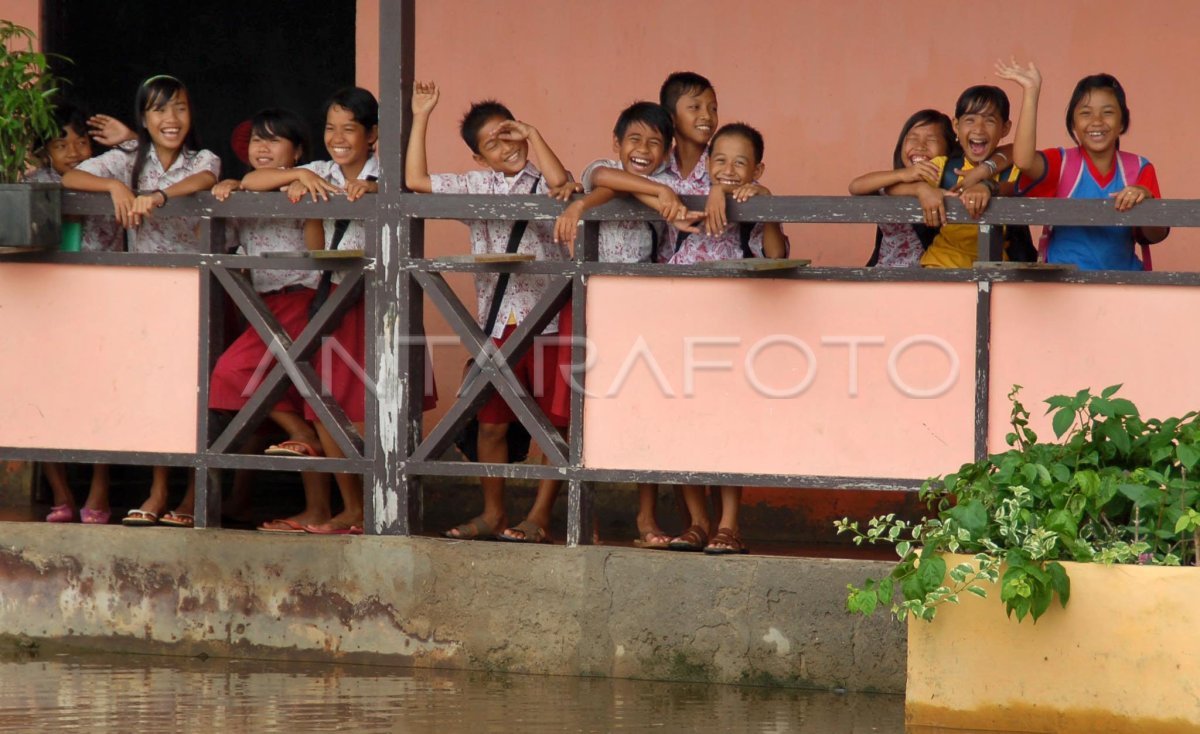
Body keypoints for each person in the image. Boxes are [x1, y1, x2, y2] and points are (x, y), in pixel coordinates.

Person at [405, 80, 576, 544]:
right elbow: (417, 182)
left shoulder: (545, 177)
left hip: (551, 319)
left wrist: (535, 135)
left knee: (553, 424)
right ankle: (494, 512)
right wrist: (422, 116)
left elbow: (563, 186)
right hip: (498, 323)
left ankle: (539, 517)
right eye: (492, 144)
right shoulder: (475, 184)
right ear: (478, 159)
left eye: (509, 134)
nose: (505, 147)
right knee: (491, 422)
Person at [62, 74, 220, 527]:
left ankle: (193, 496)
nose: (171, 119)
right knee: (157, 395)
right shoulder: (128, 159)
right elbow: (70, 174)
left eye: (180, 108)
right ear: (144, 118)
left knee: (197, 397)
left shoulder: (202, 157)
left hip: (197, 292)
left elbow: (206, 178)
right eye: (159, 110)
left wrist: (159, 194)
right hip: (146, 299)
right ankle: (157, 492)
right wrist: (116, 187)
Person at [241, 87, 385, 535]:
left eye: (350, 128)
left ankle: (368, 511)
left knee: (362, 410)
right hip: (330, 300)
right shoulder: (320, 169)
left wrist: (375, 189)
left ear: (372, 135)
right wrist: (297, 177)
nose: (338, 137)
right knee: (324, 407)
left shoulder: (387, 173)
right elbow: (250, 182)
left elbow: (403, 194)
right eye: (330, 128)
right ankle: (349, 509)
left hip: (373, 302)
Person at [552, 101, 683, 549]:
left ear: (667, 151)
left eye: (654, 143)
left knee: (642, 411)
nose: (643, 149)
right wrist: (586, 201)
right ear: (616, 142)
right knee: (581, 413)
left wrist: (656, 193)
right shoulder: (606, 169)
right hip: (592, 308)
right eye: (634, 140)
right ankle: (581, 517)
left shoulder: (670, 181)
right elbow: (603, 178)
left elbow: (637, 189)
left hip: (645, 311)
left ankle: (646, 517)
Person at [208, 108, 334, 533]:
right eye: (256, 140)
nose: (262, 147)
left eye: (274, 139)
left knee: (240, 377)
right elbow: (240, 201)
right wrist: (227, 185)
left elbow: (318, 251)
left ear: (297, 150)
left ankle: (316, 499)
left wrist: (302, 188)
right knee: (277, 399)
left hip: (301, 303)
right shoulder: (247, 191)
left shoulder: (310, 181)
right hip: (261, 308)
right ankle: (297, 450)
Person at [996, 60, 1169, 269]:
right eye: (1086, 113)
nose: (1097, 121)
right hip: (1064, 287)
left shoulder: (1140, 167)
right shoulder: (1061, 163)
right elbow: (1023, 161)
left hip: (1124, 286)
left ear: (1122, 122)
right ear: (1073, 125)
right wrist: (1031, 92)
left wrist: (1145, 200)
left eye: (1108, 112)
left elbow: (1156, 235)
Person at [848, 109, 957, 267]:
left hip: (929, 278)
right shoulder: (891, 184)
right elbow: (855, 186)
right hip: (883, 277)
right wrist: (904, 176)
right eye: (912, 138)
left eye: (931, 139)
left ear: (948, 149)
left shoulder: (949, 186)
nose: (920, 146)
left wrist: (925, 189)